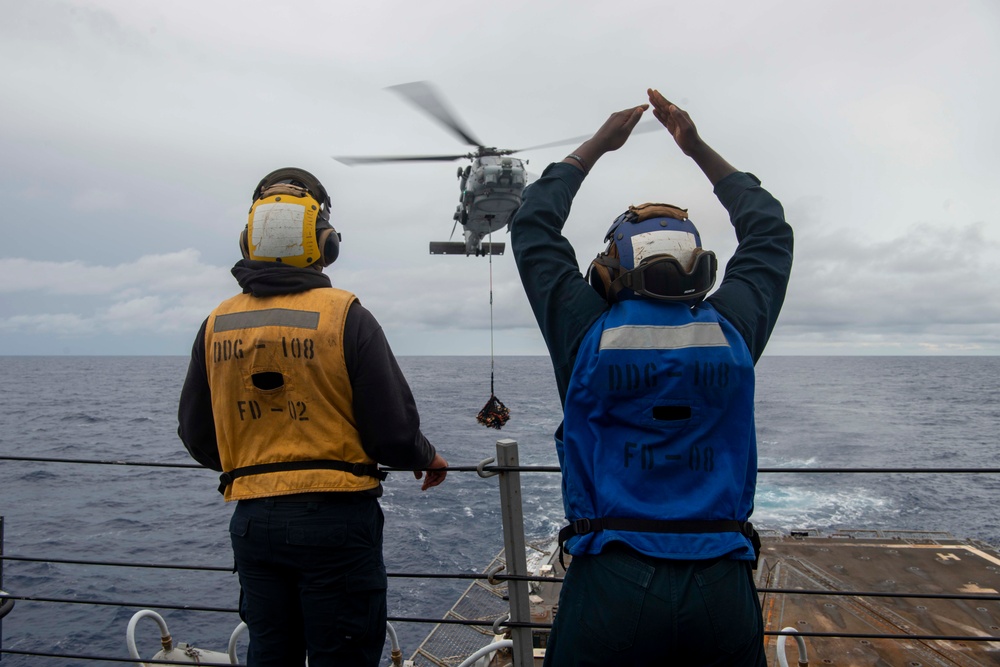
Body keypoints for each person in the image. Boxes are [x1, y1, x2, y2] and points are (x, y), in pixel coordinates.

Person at [510, 89, 793, 666]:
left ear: (612, 271)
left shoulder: (585, 332)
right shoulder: (733, 329)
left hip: (610, 578)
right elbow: (768, 232)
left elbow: (533, 224)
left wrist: (594, 147)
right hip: (721, 582)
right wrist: (696, 148)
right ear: (698, 269)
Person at [177, 167, 448, 667]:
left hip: (254, 522)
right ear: (325, 243)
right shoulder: (345, 315)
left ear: (247, 241)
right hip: (336, 521)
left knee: (271, 653)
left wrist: (256, 457)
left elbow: (196, 435)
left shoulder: (217, 323)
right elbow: (391, 434)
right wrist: (425, 455)